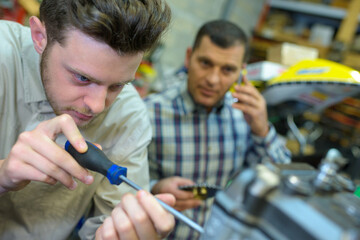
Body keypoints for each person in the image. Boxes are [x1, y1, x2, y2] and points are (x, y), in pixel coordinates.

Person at [0, 0, 175, 239]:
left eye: (117, 85)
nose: (96, 106)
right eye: (83, 77)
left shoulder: (128, 118)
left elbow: (108, 223)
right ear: (40, 36)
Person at [145, 19, 292, 239]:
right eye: (205, 63)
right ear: (188, 57)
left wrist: (262, 130)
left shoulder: (245, 117)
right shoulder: (149, 113)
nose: (213, 80)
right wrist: (154, 188)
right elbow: (112, 189)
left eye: (227, 70)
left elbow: (282, 186)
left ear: (242, 72)